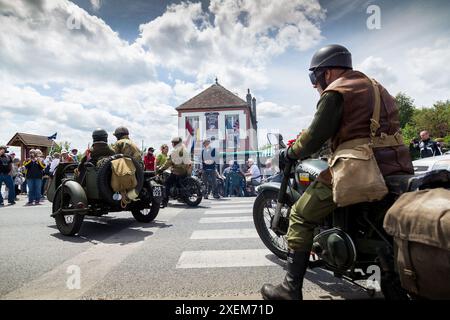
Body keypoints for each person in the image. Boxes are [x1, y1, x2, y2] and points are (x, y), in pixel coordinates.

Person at [261, 44, 414, 300]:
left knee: (300, 215)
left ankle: (289, 289)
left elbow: (313, 136)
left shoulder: (337, 91)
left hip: (361, 168)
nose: (314, 84)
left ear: (328, 72)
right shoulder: (377, 87)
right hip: (396, 166)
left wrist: (291, 152)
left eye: (314, 76)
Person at [157, 137, 192, 207]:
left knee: (167, 184)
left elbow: (168, 162)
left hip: (177, 172)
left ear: (175, 143)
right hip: (185, 171)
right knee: (179, 184)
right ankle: (182, 198)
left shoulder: (174, 151)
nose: (172, 144)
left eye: (172, 143)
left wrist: (161, 169)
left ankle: (164, 202)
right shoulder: (185, 150)